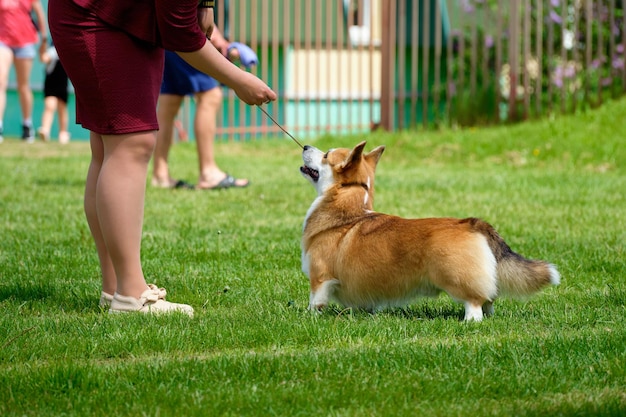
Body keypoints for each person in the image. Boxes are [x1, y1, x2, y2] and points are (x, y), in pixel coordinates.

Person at [48, 0, 276, 316]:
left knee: (110, 147)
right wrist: (238, 80)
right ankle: (130, 294)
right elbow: (180, 31)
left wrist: (206, 5)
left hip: (116, 16)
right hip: (96, 15)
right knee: (132, 143)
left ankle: (116, 289)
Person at [153, 27, 253, 190]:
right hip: (186, 35)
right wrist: (219, 41)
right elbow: (200, 8)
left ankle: (160, 175)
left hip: (167, 36)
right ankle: (208, 173)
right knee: (210, 95)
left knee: (170, 100)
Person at [0, 0, 47, 143]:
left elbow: (39, 12)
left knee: (23, 86)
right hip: (3, 40)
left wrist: (44, 39)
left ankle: (27, 125)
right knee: (1, 82)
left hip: (25, 41)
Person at [38, 43, 71, 144]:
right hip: (51, 83)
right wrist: (43, 44)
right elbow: (43, 58)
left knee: (62, 108)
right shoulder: (52, 51)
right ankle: (45, 129)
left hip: (63, 83)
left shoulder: (68, 50)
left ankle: (63, 132)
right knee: (49, 106)